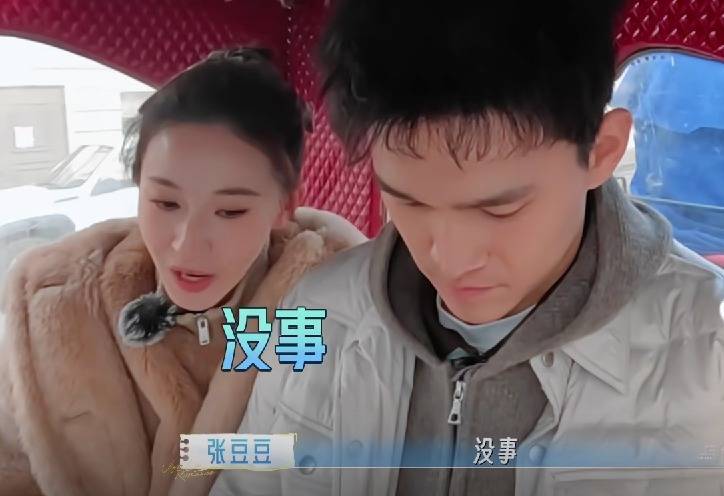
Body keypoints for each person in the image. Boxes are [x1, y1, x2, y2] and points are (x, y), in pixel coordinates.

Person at [210, 1, 724, 496]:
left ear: (601, 152)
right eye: (408, 201)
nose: (449, 259)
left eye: (499, 210)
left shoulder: (709, 355)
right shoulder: (315, 313)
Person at [0, 47, 365, 496]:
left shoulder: (340, 318)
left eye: (230, 211)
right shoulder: (56, 310)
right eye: (165, 203)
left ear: (284, 207)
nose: (186, 244)